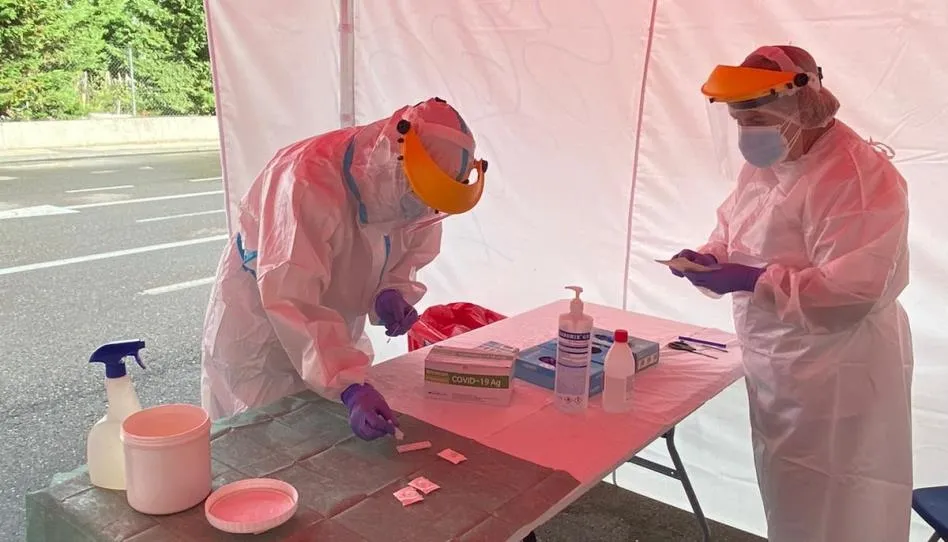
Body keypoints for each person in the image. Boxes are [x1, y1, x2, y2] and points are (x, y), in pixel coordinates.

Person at [669, 45, 913, 542]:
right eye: (739, 119)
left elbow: (853, 291)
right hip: (781, 368)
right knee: (793, 500)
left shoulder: (857, 177)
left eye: (756, 116)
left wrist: (749, 279)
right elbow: (735, 224)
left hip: (838, 377)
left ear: (800, 104)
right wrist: (711, 256)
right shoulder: (773, 159)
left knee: (842, 506)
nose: (746, 132)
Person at [201, 97, 488, 441]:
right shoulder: (306, 180)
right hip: (260, 337)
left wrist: (390, 292)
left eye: (432, 204)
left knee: (323, 442)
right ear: (394, 157)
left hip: (327, 331)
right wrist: (346, 385)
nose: (422, 211)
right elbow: (291, 296)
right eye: (418, 197)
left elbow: (410, 246)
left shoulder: (418, 193)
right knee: (258, 444)